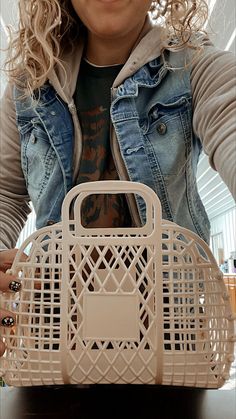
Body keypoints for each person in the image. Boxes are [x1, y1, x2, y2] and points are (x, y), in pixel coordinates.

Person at [0, 0, 235, 357]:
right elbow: (5, 195)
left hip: (171, 357)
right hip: (53, 354)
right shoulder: (28, 87)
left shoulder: (195, 67)